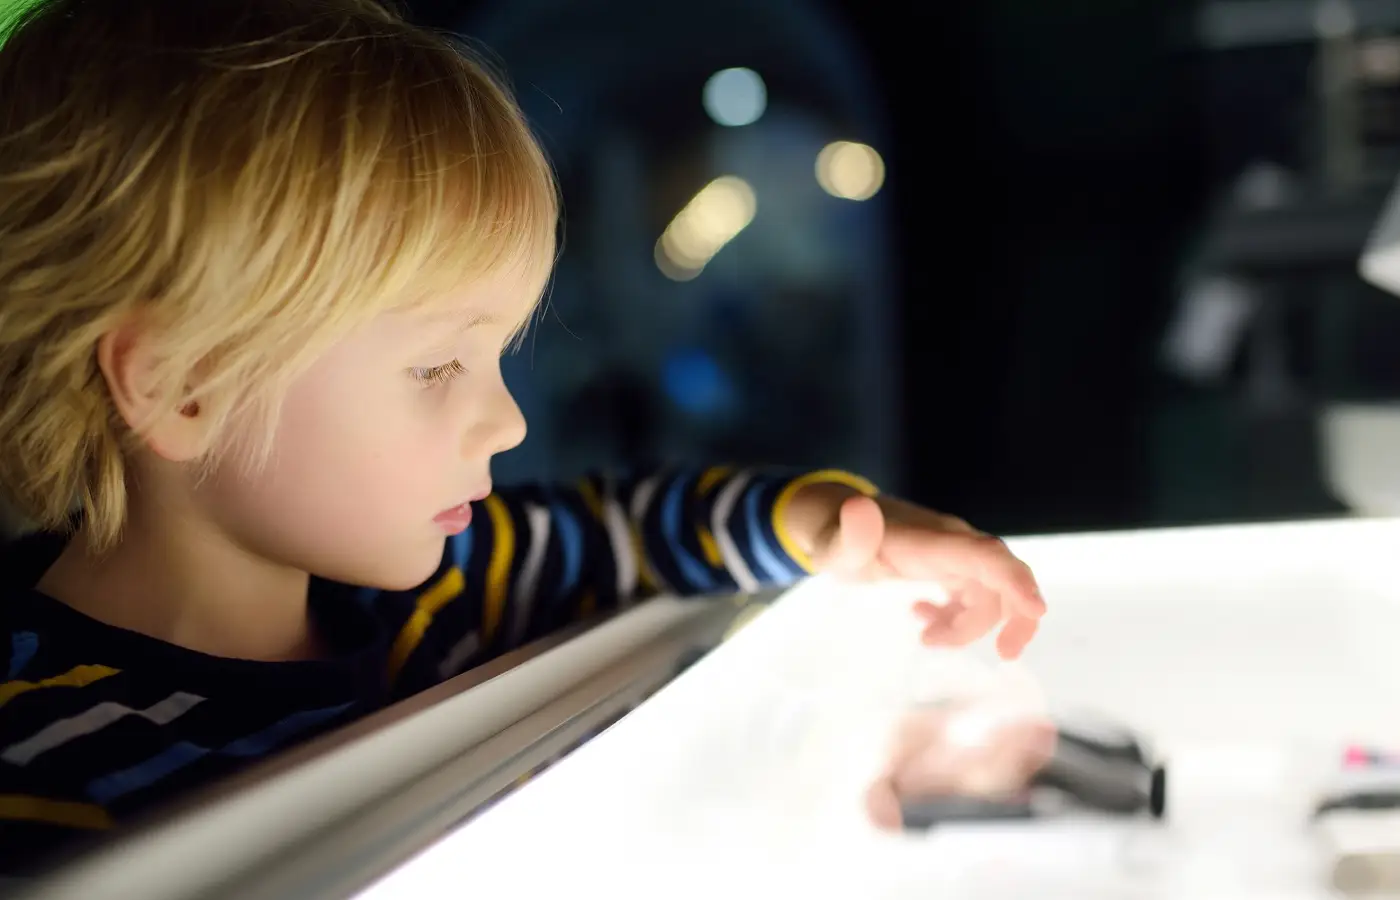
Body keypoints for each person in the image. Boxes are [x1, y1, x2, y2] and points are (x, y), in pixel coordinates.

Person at [0, 0, 1046, 875]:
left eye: (499, 354)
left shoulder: (453, 587)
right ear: (183, 386)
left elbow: (641, 530)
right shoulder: (47, 783)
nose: (508, 422)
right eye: (434, 368)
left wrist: (841, 525)